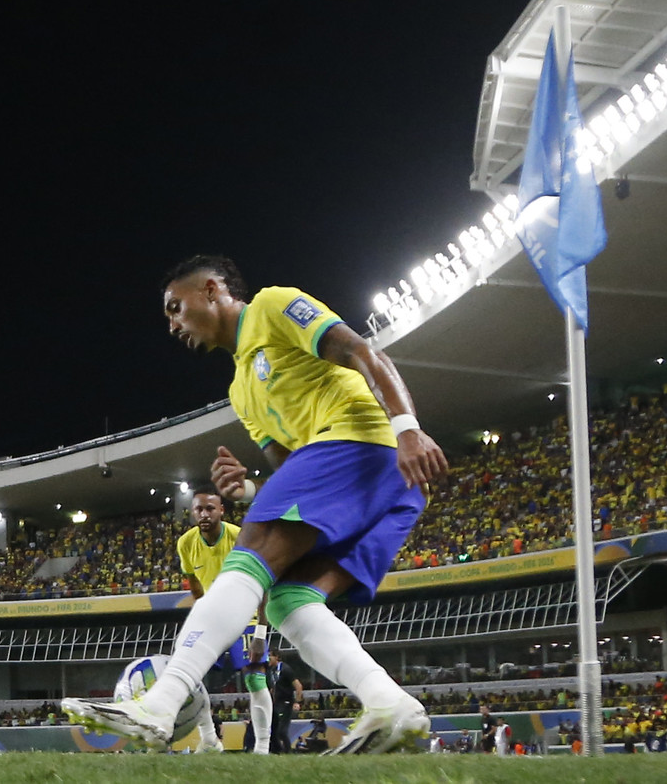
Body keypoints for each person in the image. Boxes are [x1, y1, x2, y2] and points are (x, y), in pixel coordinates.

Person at [63, 256, 447, 755]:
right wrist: (246, 492)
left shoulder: (272, 305)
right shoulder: (240, 392)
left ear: (211, 289)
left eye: (175, 308)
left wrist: (407, 428)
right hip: (383, 484)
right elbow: (296, 481)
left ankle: (158, 705)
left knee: (248, 556)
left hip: (366, 442)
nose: (172, 324)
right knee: (288, 601)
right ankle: (390, 704)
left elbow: (362, 353)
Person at [176, 489, 272, 753]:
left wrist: (261, 634)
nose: (204, 514)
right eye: (199, 509)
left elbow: (264, 585)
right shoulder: (185, 543)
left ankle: (262, 747)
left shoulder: (241, 537)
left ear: (221, 510)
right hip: (212, 619)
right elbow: (195, 586)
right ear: (193, 512)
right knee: (190, 674)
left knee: (254, 677)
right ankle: (209, 740)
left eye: (210, 509)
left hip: (246, 615)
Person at [268, 649, 303, 753]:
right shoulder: (272, 671)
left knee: (282, 731)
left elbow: (298, 686)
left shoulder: (286, 669)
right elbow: (273, 687)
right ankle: (277, 751)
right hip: (276, 704)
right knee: (274, 731)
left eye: (270, 656)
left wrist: (297, 702)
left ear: (277, 657)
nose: (267, 659)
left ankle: (288, 752)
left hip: (286, 703)